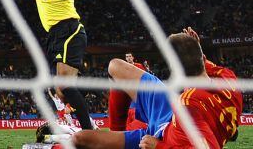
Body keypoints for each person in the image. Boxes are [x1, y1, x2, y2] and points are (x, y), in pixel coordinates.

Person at [71, 28, 242, 149]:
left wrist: (159, 146)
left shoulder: (190, 103)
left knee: (80, 139)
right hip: (169, 110)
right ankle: (117, 131)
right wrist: (193, 48)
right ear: (203, 57)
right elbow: (202, 65)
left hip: (159, 135)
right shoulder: (228, 78)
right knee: (115, 66)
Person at [20, 0, 95, 131]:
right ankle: (90, 123)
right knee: (61, 92)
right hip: (54, 35)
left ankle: (88, 132)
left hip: (69, 29)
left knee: (65, 85)